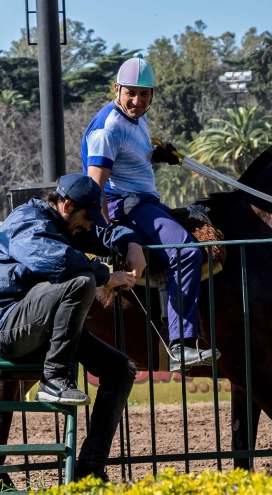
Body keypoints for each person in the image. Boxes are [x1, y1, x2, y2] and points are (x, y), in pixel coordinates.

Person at [0, 173, 146, 480]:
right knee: (81, 281)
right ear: (66, 205)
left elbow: (100, 235)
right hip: (4, 327)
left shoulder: (64, 221)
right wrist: (107, 275)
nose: (88, 226)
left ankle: (89, 471)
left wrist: (130, 242)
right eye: (85, 218)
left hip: (38, 326)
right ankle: (54, 379)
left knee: (121, 370)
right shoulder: (27, 221)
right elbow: (57, 262)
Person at [81, 53, 219, 372]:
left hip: (145, 202)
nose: (137, 100)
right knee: (185, 251)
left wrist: (156, 155)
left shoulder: (137, 118)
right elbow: (94, 189)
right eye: (130, 92)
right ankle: (181, 346)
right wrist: (107, 235)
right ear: (116, 89)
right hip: (124, 208)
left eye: (145, 94)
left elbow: (131, 161)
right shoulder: (108, 128)